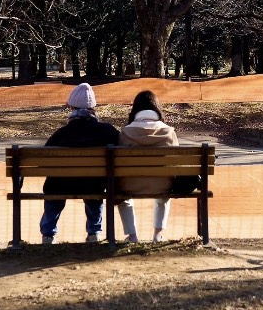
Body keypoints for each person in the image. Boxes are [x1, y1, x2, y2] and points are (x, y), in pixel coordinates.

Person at [40, 82, 120, 244]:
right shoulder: (107, 131)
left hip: (60, 185)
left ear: (72, 108)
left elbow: (44, 161)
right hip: (93, 185)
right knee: (95, 187)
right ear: (93, 108)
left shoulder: (61, 134)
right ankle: (94, 232)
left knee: (53, 186)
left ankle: (48, 234)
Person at [117, 90, 178, 243]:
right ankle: (158, 235)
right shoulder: (169, 132)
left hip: (129, 185)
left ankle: (132, 236)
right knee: (163, 197)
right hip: (162, 185)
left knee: (124, 198)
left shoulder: (125, 132)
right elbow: (176, 163)